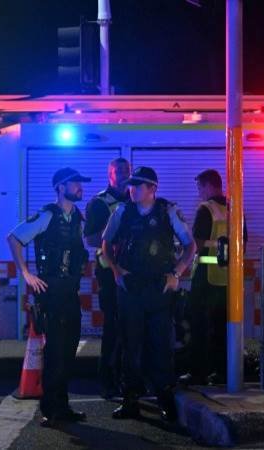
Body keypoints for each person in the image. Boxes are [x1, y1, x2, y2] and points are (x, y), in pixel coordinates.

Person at [102, 166, 196, 421]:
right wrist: (116, 271)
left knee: (160, 346)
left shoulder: (168, 211)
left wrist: (176, 273)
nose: (131, 189)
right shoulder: (122, 211)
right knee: (130, 345)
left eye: (137, 185)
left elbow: (190, 246)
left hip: (159, 288)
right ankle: (130, 399)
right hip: (131, 288)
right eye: (130, 185)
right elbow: (106, 243)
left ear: (152, 189)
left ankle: (165, 398)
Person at [7, 167, 91, 428]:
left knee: (68, 350)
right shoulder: (47, 215)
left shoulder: (78, 216)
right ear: (60, 187)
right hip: (51, 291)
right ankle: (51, 410)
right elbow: (14, 238)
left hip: (69, 291)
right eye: (75, 183)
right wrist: (26, 274)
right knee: (55, 351)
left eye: (80, 183)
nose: (80, 187)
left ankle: (62, 406)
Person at [83, 157, 131, 399]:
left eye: (126, 170)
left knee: (132, 329)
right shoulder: (99, 203)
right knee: (113, 328)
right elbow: (90, 239)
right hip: (109, 274)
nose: (123, 174)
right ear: (110, 175)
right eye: (118, 171)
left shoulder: (135, 200)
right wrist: (113, 234)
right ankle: (107, 382)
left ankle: (129, 380)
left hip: (134, 274)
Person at [188, 169, 230, 385]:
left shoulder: (206, 209)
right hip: (227, 279)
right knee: (222, 328)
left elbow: (196, 243)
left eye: (199, 188)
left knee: (199, 327)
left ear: (208, 186)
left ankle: (198, 373)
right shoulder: (234, 208)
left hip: (205, 278)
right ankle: (222, 372)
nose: (199, 193)